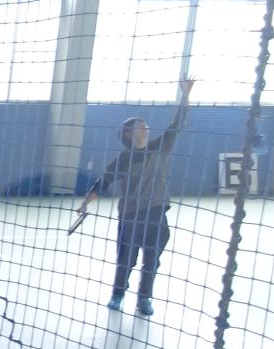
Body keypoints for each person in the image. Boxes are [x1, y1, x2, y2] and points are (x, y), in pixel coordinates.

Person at [77, 78, 195, 316]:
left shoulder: (160, 147)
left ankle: (144, 298)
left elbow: (177, 124)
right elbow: (103, 183)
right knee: (126, 259)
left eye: (145, 125)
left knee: (152, 260)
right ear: (129, 134)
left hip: (156, 211)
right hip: (130, 215)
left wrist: (186, 95)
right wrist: (85, 203)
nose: (145, 127)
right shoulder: (122, 160)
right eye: (139, 125)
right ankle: (118, 294)